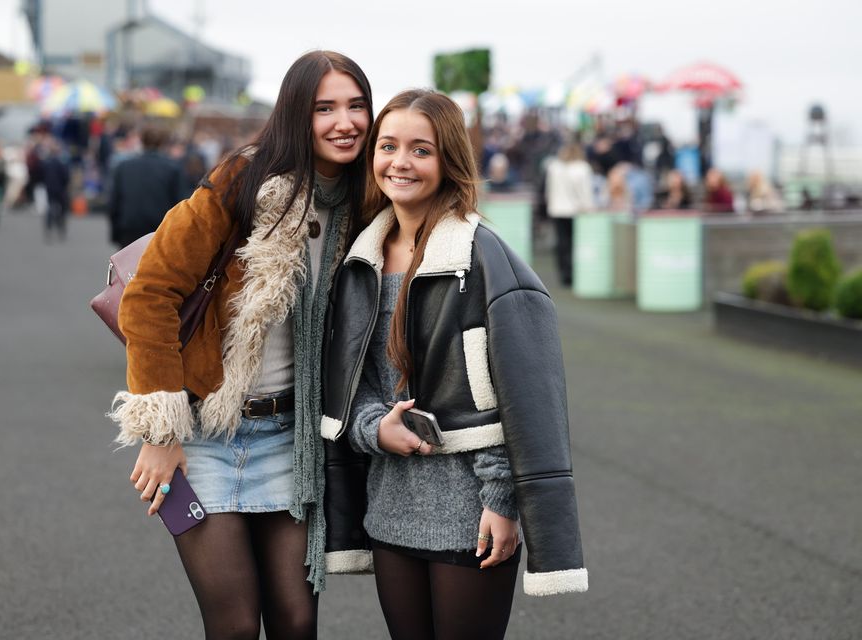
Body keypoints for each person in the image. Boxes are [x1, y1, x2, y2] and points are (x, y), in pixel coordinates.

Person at [108, 50, 373, 640]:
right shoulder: (242, 181)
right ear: (294, 115)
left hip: (289, 440)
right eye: (323, 107)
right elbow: (149, 294)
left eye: (356, 106)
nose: (344, 121)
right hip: (203, 436)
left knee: (297, 621)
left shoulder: (365, 203)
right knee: (231, 626)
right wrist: (161, 431)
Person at [320, 89, 587, 640]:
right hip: (391, 506)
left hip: (472, 510)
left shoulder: (480, 257)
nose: (400, 161)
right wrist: (375, 430)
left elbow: (517, 391)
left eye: (421, 149)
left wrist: (501, 498)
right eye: (388, 145)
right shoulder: (360, 260)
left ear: (448, 161)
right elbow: (357, 381)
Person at [107, 125, 185, 248]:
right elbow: (179, 204)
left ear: (142, 141)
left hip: (130, 227)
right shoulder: (173, 169)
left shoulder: (124, 167)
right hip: (160, 229)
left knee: (129, 265)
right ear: (162, 143)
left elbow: (114, 202)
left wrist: (116, 233)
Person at [546, 141, 594, 287]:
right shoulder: (583, 168)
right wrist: (588, 207)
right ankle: (573, 273)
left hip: (557, 209)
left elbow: (549, 189)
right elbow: (586, 191)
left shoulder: (554, 167)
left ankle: (563, 273)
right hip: (576, 211)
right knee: (574, 243)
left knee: (562, 242)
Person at [41, 139, 71, 242]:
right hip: (60, 189)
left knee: (50, 208)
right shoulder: (61, 162)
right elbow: (66, 176)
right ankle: (61, 228)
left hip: (50, 188)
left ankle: (49, 228)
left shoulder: (46, 162)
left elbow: (42, 175)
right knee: (62, 210)